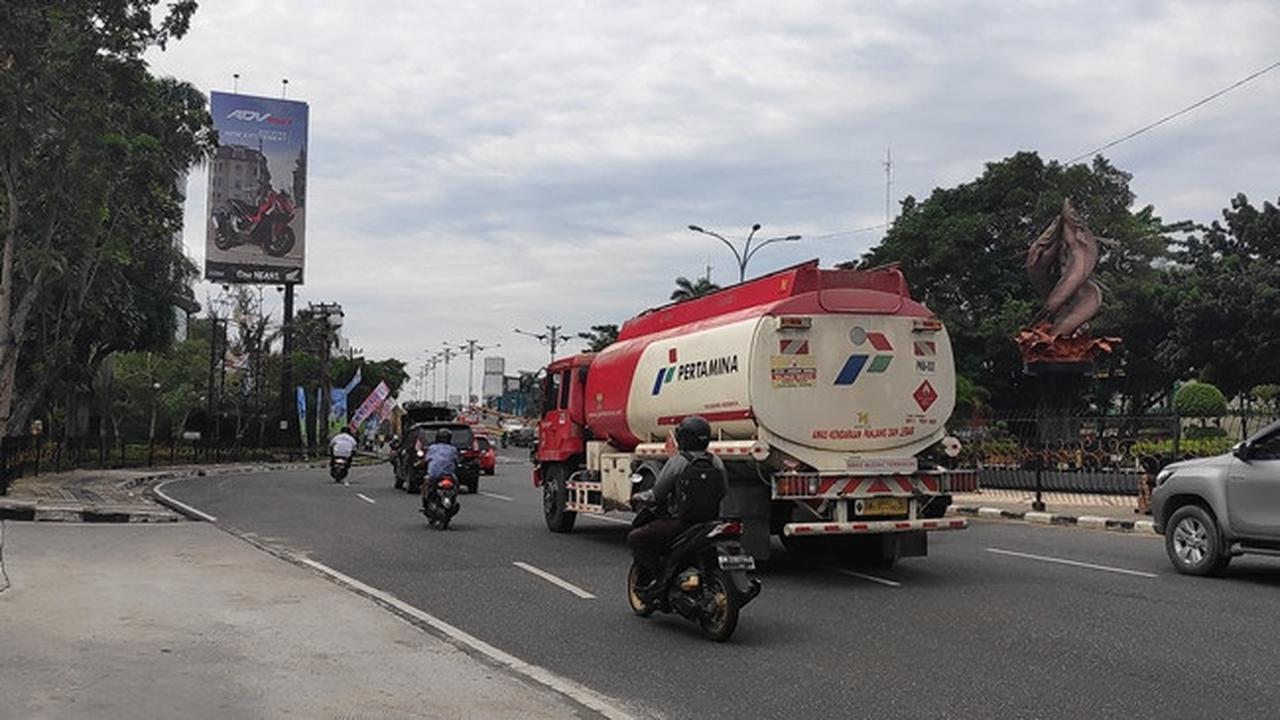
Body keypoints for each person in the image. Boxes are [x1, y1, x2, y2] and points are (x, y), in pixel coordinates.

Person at [626, 416, 728, 592]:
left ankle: (658, 579)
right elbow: (724, 490)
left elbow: (657, 494)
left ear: (683, 438)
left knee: (637, 537)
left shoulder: (679, 461)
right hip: (710, 522)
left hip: (681, 523)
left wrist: (639, 496)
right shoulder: (715, 461)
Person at [423, 428, 460, 504]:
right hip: (448, 474)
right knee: (456, 482)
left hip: (434, 474)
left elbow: (427, 460)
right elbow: (456, 460)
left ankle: (425, 500)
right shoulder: (453, 449)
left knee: (426, 483)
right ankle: (454, 499)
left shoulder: (432, 448)